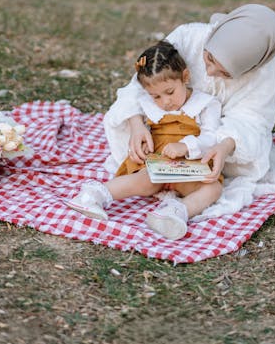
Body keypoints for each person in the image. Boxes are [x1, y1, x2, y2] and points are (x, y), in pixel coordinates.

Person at [104, 3, 275, 217]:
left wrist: (225, 146)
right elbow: (141, 85)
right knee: (145, 170)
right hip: (162, 133)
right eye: (209, 58)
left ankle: (176, 213)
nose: (209, 71)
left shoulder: (264, 71)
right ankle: (100, 193)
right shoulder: (189, 37)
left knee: (216, 183)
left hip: (211, 143)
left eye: (226, 73)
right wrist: (136, 125)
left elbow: (253, 120)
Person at [65, 40, 222, 240]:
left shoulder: (206, 104)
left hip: (190, 166)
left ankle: (175, 213)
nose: (165, 102)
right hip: (158, 164)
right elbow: (126, 109)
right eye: (155, 96)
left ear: (185, 77)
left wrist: (186, 145)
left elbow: (212, 136)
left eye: (170, 92)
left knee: (213, 188)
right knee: (145, 181)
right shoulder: (148, 105)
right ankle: (93, 195)